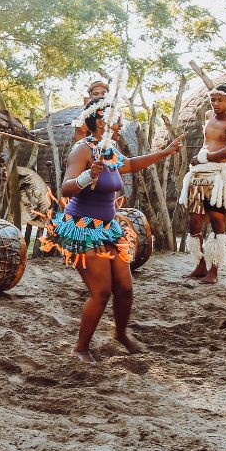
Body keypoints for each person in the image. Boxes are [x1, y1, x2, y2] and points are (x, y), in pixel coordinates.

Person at [39, 97, 182, 363]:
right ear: (96, 121)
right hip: (83, 229)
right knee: (101, 291)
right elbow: (66, 189)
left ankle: (120, 334)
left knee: (125, 288)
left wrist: (164, 153)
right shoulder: (82, 150)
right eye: (109, 117)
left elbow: (128, 165)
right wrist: (88, 176)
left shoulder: (111, 149)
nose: (116, 121)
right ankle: (80, 348)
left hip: (108, 229)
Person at [179, 84, 226, 285]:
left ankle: (213, 270)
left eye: (220, 100)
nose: (215, 104)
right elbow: (206, 142)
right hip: (199, 175)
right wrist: (200, 161)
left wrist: (204, 158)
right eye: (213, 99)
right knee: (195, 223)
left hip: (216, 177)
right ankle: (200, 266)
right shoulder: (208, 116)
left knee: (217, 221)